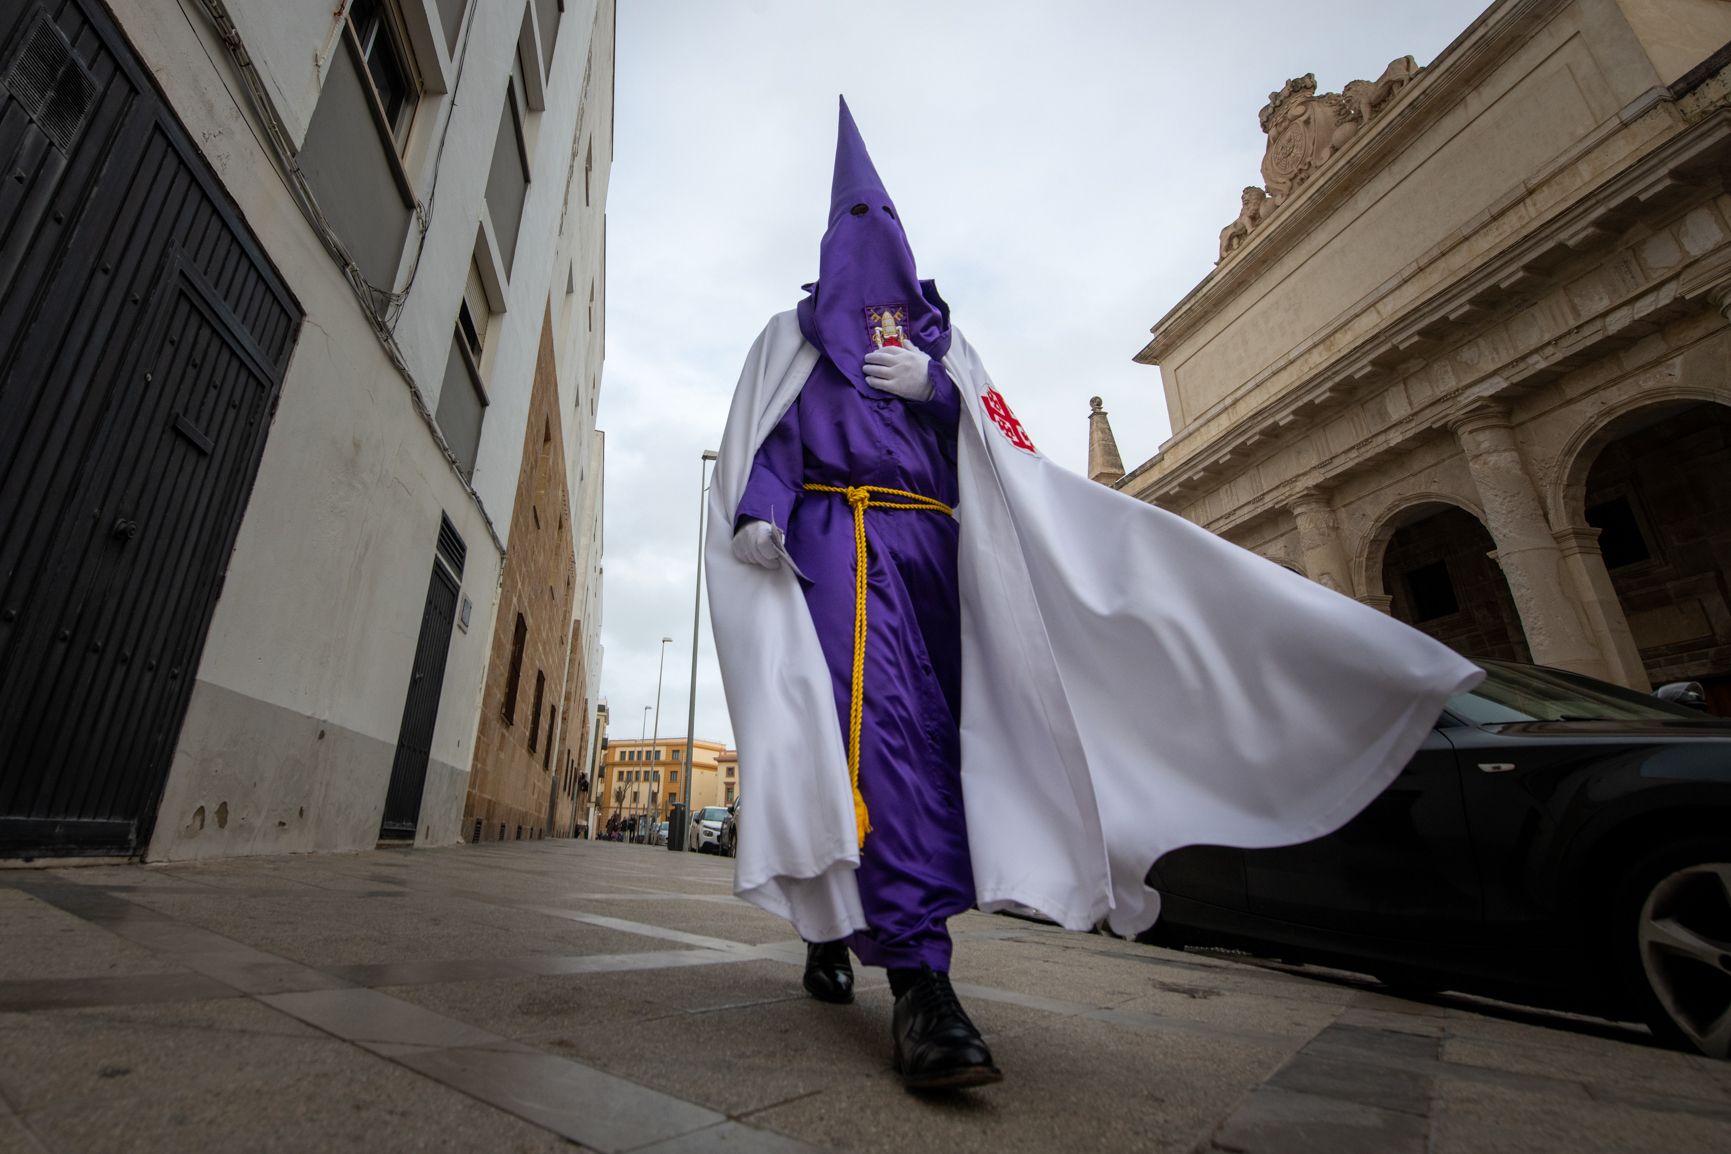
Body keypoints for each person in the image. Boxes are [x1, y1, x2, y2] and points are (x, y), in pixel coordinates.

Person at [706, 98, 1479, 1091]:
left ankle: (846, 922)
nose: (869, 249)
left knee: (933, 752)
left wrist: (934, 392)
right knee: (868, 745)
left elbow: (1005, 450)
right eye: (851, 230)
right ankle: (921, 985)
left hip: (938, 564)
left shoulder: (945, 346)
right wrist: (760, 511)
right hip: (834, 554)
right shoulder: (792, 338)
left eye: (881, 227)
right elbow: (765, 439)